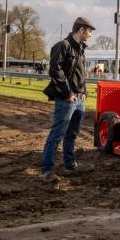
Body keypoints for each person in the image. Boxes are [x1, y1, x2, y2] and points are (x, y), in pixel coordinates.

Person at [42, 17, 95, 183]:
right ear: (81, 30)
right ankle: (47, 171)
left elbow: (80, 74)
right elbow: (55, 71)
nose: (90, 35)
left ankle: (70, 165)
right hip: (67, 99)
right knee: (57, 135)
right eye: (89, 31)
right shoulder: (63, 46)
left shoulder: (80, 49)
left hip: (80, 99)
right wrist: (68, 93)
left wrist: (84, 92)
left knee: (72, 134)